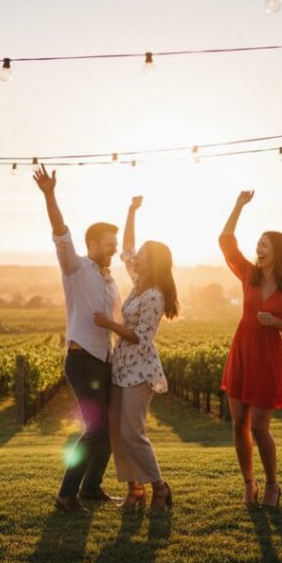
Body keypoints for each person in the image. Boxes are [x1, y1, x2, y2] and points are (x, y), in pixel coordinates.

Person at [33, 164, 122, 513]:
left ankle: (91, 487)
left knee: (109, 427)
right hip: (82, 359)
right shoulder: (75, 267)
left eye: (116, 244)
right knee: (96, 427)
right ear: (93, 244)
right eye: (109, 244)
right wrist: (50, 194)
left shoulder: (110, 280)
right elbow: (60, 232)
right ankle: (65, 493)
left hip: (105, 360)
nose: (113, 249)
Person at [219, 191, 282, 507]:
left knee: (259, 427)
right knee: (238, 422)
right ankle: (248, 483)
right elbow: (226, 241)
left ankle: (271, 484)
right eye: (258, 244)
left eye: (264, 244)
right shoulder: (248, 274)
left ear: (279, 252)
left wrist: (278, 323)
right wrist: (238, 205)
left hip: (267, 356)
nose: (258, 248)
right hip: (242, 349)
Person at [94, 196, 179, 510]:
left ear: (152, 261)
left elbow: (141, 337)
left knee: (132, 432)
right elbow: (126, 247)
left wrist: (110, 324)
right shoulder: (139, 283)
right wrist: (130, 211)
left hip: (140, 371)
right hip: (120, 369)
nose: (134, 257)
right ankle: (135, 490)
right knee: (118, 433)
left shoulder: (154, 294)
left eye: (142, 255)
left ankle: (159, 486)